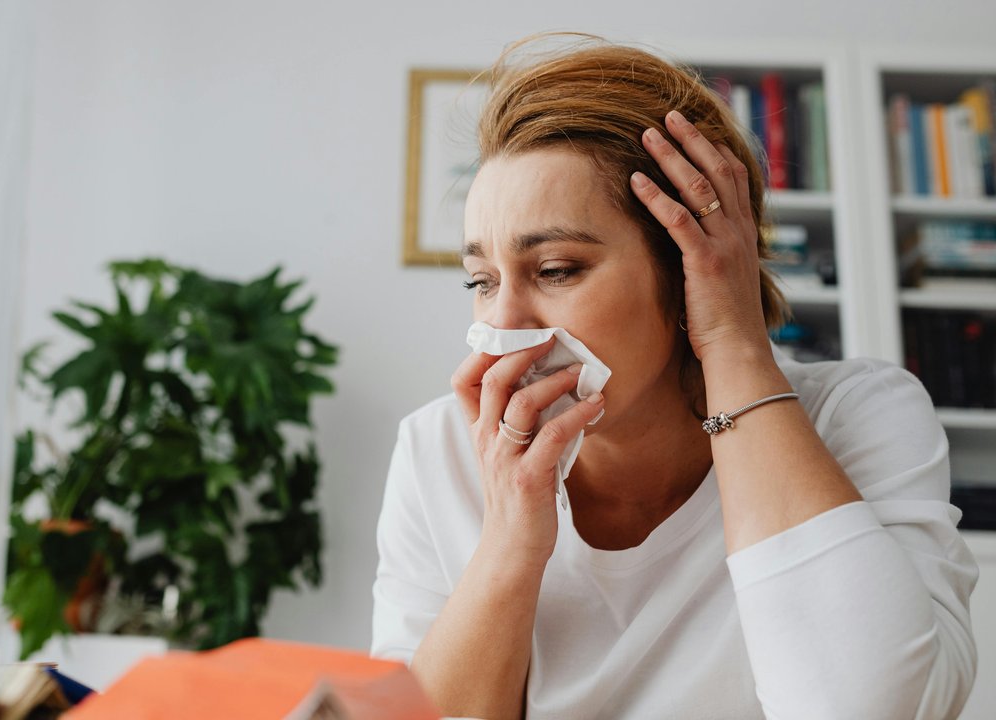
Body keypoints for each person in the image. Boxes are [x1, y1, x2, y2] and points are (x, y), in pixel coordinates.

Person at [371, 35, 979, 720]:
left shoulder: (857, 415)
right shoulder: (436, 450)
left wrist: (733, 339)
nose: (502, 323)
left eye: (555, 271)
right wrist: (511, 535)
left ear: (692, 265)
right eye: (482, 281)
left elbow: (870, 708)